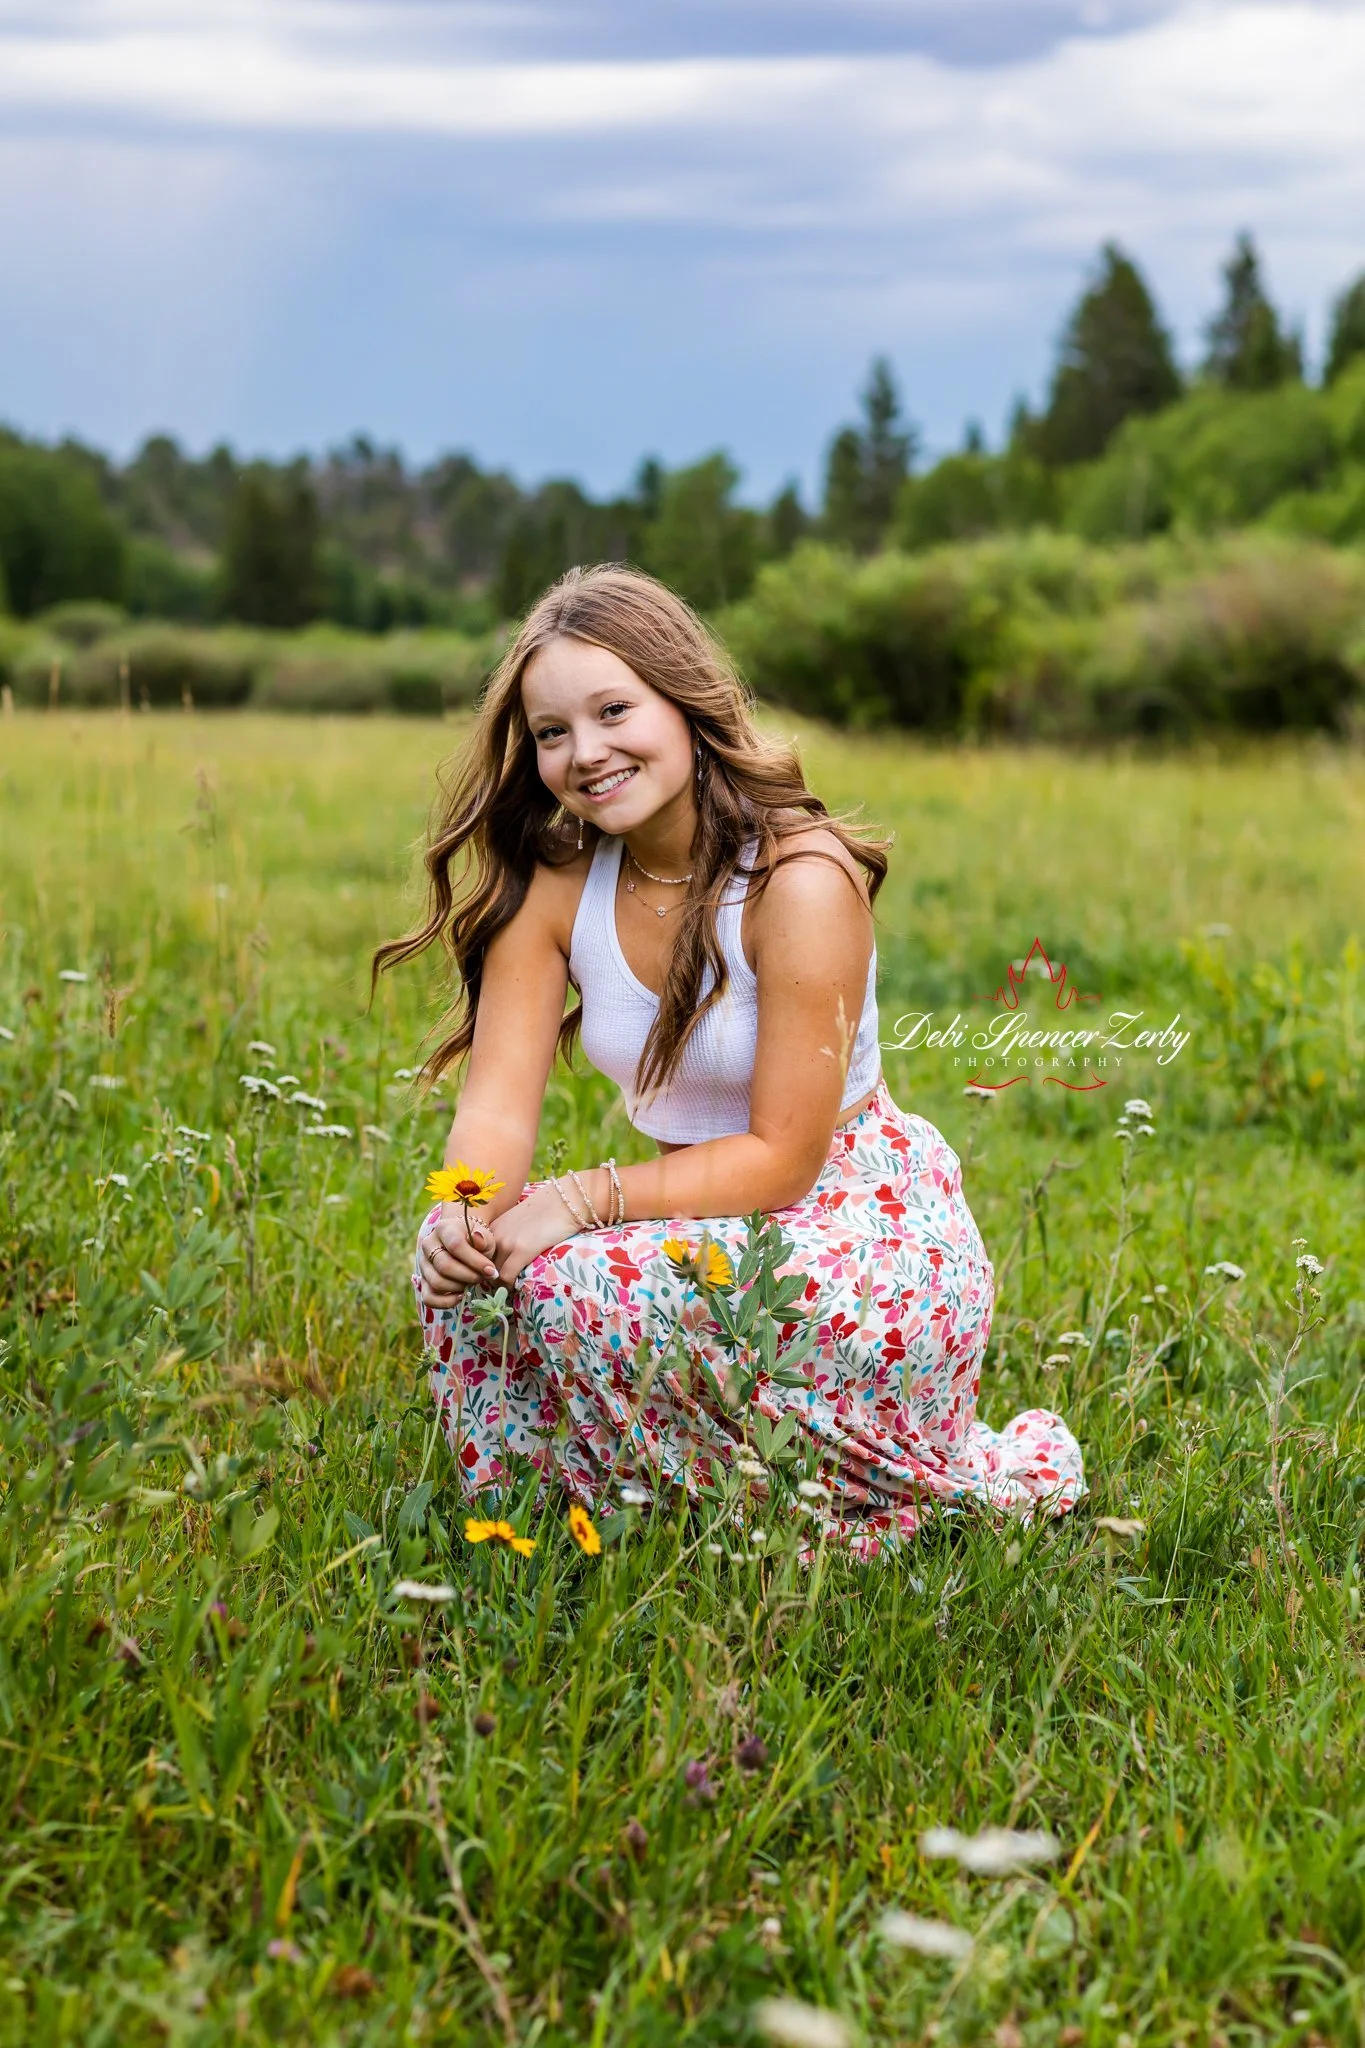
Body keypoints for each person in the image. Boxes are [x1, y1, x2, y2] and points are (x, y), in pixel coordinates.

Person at [376, 564, 1084, 1558]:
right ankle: (557, 1521)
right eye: (551, 732)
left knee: (578, 1279)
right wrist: (461, 1209)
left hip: (853, 1228)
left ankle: (737, 1514)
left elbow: (784, 1157)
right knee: (476, 1273)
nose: (586, 752)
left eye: (614, 709)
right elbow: (493, 1114)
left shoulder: (798, 878)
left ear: (685, 700)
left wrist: (579, 1198)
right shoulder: (554, 887)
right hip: (686, 1212)